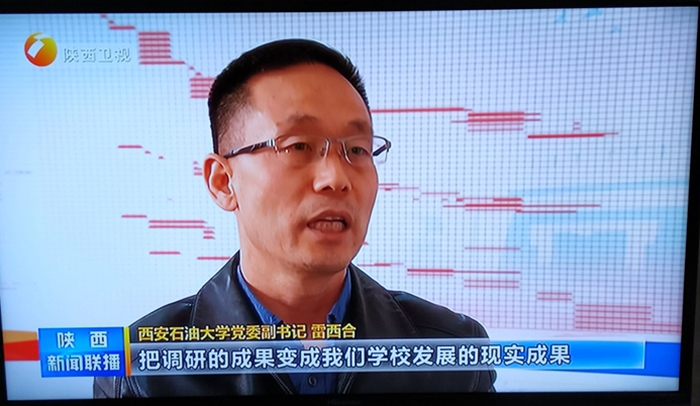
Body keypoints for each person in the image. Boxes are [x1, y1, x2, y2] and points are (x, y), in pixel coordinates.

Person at [94, 39, 496, 397]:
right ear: (223, 182)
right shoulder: (140, 369)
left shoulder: (453, 352)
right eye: (299, 145)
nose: (336, 178)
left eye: (358, 149)